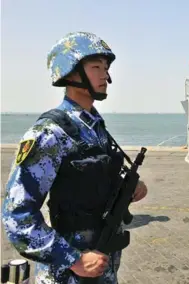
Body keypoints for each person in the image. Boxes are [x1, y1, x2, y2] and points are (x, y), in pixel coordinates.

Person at [1, 32, 148, 283]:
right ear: (71, 74)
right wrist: (74, 259)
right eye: (95, 67)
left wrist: (131, 187)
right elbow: (17, 217)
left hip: (104, 267)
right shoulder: (50, 133)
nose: (105, 75)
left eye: (106, 67)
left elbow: (96, 179)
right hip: (68, 274)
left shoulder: (95, 127)